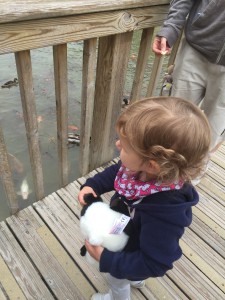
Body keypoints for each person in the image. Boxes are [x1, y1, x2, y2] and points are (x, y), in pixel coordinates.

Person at [78, 96, 211, 300]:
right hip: (122, 227)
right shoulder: (141, 170)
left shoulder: (166, 212)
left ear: (152, 165)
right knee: (132, 273)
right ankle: (136, 279)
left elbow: (156, 262)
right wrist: (93, 185)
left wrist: (109, 260)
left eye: (124, 145)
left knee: (117, 280)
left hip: (131, 251)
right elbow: (117, 171)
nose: (117, 144)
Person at [152, 0, 225, 152]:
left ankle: (191, 175)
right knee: (172, 119)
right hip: (195, 48)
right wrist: (170, 28)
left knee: (212, 133)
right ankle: (159, 168)